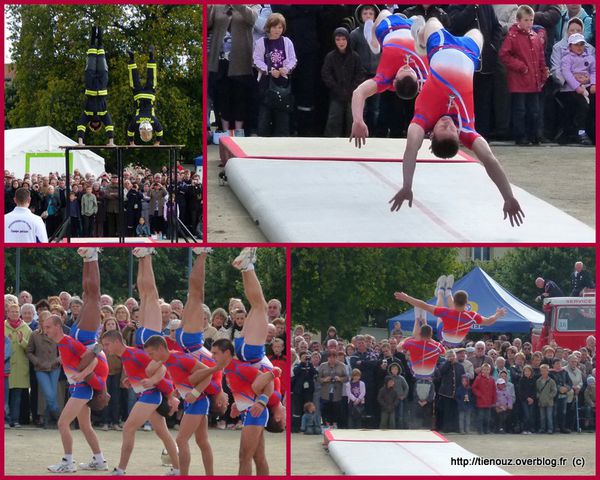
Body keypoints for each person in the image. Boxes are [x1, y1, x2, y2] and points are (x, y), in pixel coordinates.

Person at [388, 16, 524, 227]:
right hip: (469, 55)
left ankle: (421, 44)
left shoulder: (422, 119)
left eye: (443, 127)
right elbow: (490, 160)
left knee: (432, 20)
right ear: (458, 136)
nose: (448, 123)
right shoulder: (467, 130)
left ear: (431, 134)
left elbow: (411, 150)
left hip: (439, 48)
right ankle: (422, 43)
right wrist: (508, 196)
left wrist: (407, 185)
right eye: (453, 129)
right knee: (478, 33)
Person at [100, 330, 180, 475]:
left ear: (117, 342)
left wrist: (152, 381)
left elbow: (161, 367)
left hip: (150, 396)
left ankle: (121, 470)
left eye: (107, 344)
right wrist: (131, 380)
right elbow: (142, 371)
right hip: (148, 395)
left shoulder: (133, 354)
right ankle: (177, 469)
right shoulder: (125, 356)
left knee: (128, 428)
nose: (105, 348)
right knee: (163, 433)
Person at [350, 8, 429, 147]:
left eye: (403, 70)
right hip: (412, 27)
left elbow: (358, 93)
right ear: (417, 81)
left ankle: (372, 39)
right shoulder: (424, 79)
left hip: (389, 28)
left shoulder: (384, 79)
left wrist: (358, 120)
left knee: (384, 13)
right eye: (411, 70)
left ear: (394, 80)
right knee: (420, 22)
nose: (407, 65)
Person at [143, 335, 217, 475]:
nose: (150, 357)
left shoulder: (180, 358)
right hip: (194, 402)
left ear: (160, 349)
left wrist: (194, 393)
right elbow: (182, 378)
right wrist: (179, 390)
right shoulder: (168, 360)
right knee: (202, 442)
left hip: (198, 401)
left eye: (151, 353)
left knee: (181, 440)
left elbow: (208, 373)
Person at [499, 5, 549, 145]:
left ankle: (534, 135)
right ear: (518, 20)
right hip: (519, 81)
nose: (529, 23)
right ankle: (520, 136)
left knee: (534, 110)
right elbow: (504, 55)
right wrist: (520, 67)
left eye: (531, 20)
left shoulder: (535, 37)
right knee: (520, 110)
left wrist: (543, 72)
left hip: (533, 81)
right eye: (526, 20)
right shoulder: (512, 36)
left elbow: (540, 57)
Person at [395, 287, 506, 347]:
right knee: (444, 315)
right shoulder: (471, 315)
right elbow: (489, 321)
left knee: (439, 316)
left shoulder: (447, 312)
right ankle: (446, 292)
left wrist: (407, 297)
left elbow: (424, 305)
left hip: (444, 337)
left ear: (455, 300)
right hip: (458, 340)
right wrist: (497, 315)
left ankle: (442, 292)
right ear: (466, 302)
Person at [253, 12, 297, 136]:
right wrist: (269, 70)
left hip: (282, 84)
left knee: (283, 120)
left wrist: (286, 69)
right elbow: (256, 60)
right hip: (266, 84)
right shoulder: (262, 42)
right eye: (274, 27)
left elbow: (293, 59)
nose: (277, 30)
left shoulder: (287, 41)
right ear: (269, 27)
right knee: (264, 119)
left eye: (280, 27)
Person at [321, 27, 366, 137]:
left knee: (352, 119)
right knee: (334, 119)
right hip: (336, 94)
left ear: (348, 40)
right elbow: (326, 74)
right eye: (338, 39)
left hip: (353, 94)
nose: (341, 42)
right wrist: (336, 88)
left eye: (343, 39)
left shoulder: (355, 56)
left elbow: (360, 74)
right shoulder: (330, 57)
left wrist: (352, 89)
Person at [76, 26, 115, 146]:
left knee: (92, 56)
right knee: (101, 55)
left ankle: (94, 33)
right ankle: (100, 34)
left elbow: (81, 125)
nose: (95, 123)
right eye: (97, 125)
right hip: (102, 83)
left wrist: (80, 142)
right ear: (99, 124)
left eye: (93, 125)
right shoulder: (104, 114)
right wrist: (111, 142)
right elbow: (109, 126)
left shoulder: (87, 115)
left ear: (91, 124)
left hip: (90, 82)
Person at [560, 33, 595, 145]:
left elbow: (594, 71)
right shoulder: (566, 59)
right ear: (570, 46)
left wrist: (594, 83)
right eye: (576, 45)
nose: (579, 47)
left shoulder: (590, 58)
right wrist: (577, 87)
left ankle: (592, 132)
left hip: (587, 87)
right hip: (570, 90)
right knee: (582, 106)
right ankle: (580, 132)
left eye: (581, 44)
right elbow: (567, 74)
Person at [127, 47, 163, 145]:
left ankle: (151, 56)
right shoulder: (136, 121)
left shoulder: (154, 121)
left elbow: (160, 132)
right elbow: (130, 132)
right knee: (134, 78)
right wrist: (132, 143)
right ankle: (131, 58)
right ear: (140, 132)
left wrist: (157, 142)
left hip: (150, 95)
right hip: (138, 96)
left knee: (151, 76)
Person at [472, 363, 496, 434]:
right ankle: (480, 430)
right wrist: (479, 394)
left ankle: (486, 430)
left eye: (487, 370)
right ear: (482, 370)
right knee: (480, 417)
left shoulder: (492, 379)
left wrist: (494, 400)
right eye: (484, 370)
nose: (486, 371)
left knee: (487, 418)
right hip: (481, 401)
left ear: (490, 370)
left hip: (488, 402)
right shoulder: (478, 378)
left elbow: (494, 390)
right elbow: (474, 388)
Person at [537, 364, 558, 434]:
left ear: (548, 371)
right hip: (541, 401)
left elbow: (554, 390)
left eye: (545, 371)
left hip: (549, 401)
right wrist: (538, 396)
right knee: (542, 417)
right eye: (542, 371)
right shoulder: (538, 381)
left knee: (549, 416)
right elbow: (536, 390)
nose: (544, 372)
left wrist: (550, 396)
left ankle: (550, 429)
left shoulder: (551, 381)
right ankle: (542, 428)